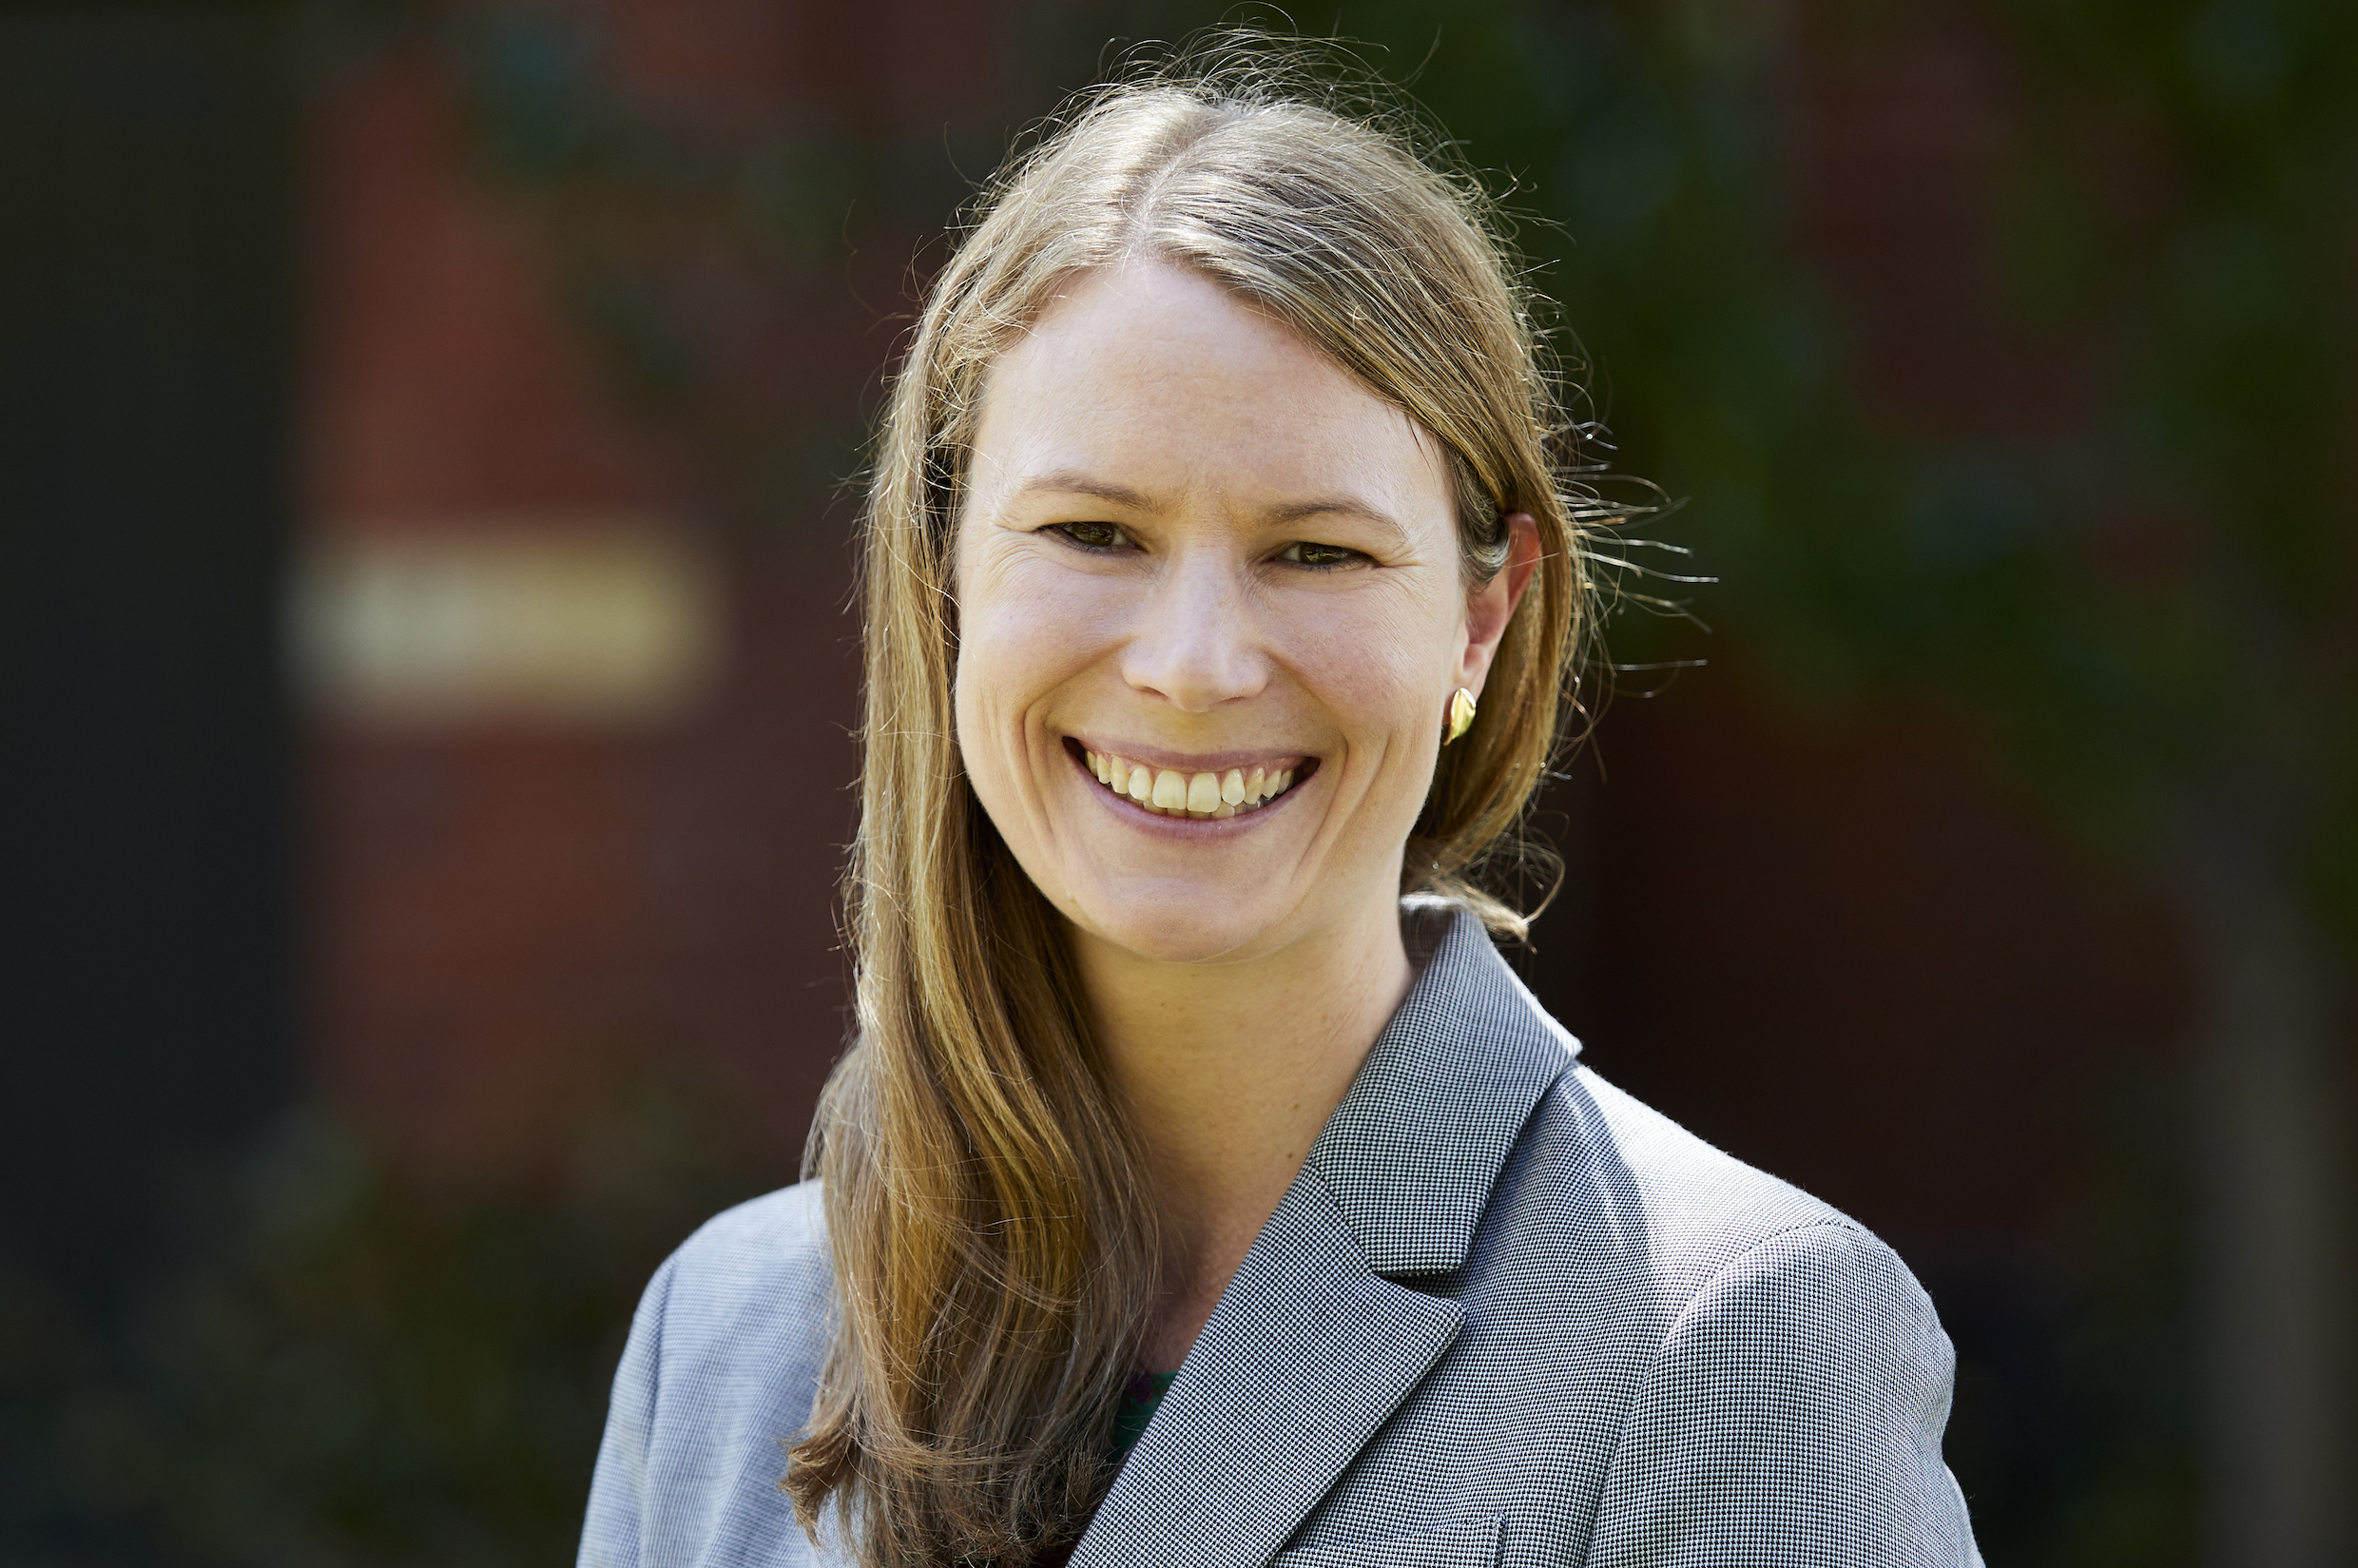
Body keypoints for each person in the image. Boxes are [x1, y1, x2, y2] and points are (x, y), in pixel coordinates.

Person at [577, 52, 1984, 1568]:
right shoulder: (724, 1346)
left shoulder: (1737, 1340)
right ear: (942, 577)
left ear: (1482, 617)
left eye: (1314, 552)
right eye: (1093, 531)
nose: (1192, 665)